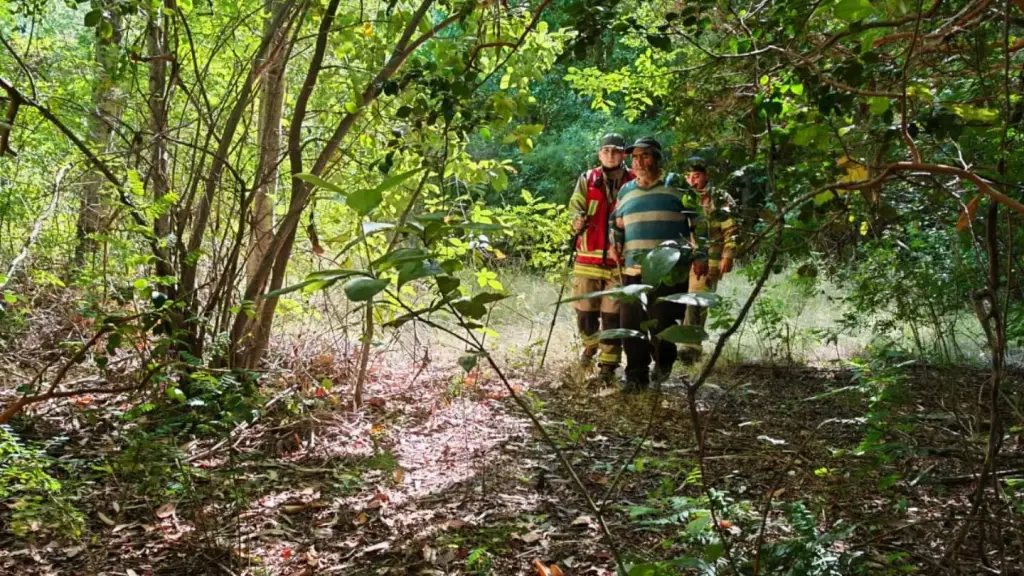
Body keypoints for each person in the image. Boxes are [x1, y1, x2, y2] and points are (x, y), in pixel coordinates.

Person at [609, 137, 708, 390]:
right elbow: (616, 222)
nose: (640, 162)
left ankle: (664, 364)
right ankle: (636, 377)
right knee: (630, 323)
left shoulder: (676, 185)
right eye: (635, 157)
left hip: (670, 270)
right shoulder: (626, 190)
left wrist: (701, 254)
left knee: (664, 323)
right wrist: (616, 240)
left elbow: (700, 222)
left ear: (656, 158)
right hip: (633, 268)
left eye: (645, 156)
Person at [567, 133, 635, 383]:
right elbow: (574, 207)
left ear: (624, 154)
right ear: (599, 154)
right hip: (587, 259)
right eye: (606, 151)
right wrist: (575, 221)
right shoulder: (587, 178)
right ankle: (590, 345)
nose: (610, 155)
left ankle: (608, 365)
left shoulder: (634, 180)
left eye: (616, 151)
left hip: (620, 261)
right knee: (585, 313)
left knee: (612, 316)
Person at [679, 156, 739, 365]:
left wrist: (728, 254)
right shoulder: (682, 196)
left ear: (706, 175)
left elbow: (731, 228)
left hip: (710, 257)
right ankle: (678, 344)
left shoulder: (719, 198)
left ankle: (690, 349)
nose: (692, 181)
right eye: (689, 176)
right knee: (678, 302)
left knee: (696, 301)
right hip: (682, 257)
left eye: (696, 176)